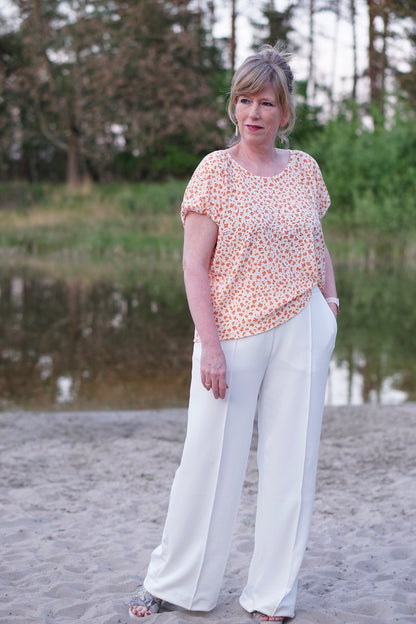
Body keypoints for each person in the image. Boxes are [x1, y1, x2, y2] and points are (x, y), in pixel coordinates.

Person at [129, 43, 339, 623]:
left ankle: (272, 596)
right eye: (245, 100)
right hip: (233, 330)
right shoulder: (214, 171)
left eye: (266, 102)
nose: (254, 112)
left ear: (284, 111)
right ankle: (177, 584)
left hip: (303, 326)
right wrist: (210, 347)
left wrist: (330, 305)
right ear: (234, 106)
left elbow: (318, 242)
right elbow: (193, 266)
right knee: (208, 459)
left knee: (291, 463)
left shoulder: (305, 169)